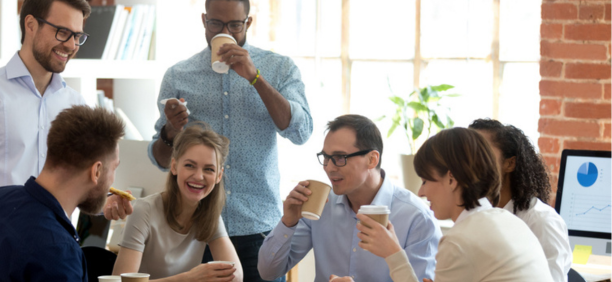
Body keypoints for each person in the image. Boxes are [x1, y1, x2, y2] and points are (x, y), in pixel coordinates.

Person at [147, 0, 312, 280]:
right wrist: (170, 133)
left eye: (235, 25)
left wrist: (254, 77)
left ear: (248, 23)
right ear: (203, 20)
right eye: (216, 24)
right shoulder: (178, 75)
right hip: (195, 232)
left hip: (259, 228)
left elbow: (300, 132)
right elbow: (162, 161)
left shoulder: (279, 68)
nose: (225, 32)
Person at [341, 127, 553, 282]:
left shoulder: (459, 241)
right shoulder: (507, 220)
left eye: (425, 181)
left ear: (451, 179)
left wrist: (393, 254)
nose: (420, 192)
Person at [258, 115, 441, 282]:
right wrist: (288, 222)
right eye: (326, 157)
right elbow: (268, 272)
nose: (328, 168)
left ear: (372, 159)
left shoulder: (417, 218)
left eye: (339, 158)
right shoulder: (320, 205)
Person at [0, 0, 131, 220]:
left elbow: (76, 184)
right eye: (62, 32)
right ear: (30, 25)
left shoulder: (76, 104)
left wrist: (103, 202)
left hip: (54, 242)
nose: (71, 46)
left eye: (77, 36)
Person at [0, 105, 124, 281]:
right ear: (96, 171)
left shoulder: (3, 196)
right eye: (114, 168)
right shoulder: (59, 251)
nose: (112, 181)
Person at [113, 123, 243, 281]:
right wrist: (188, 278)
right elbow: (120, 281)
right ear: (174, 166)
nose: (198, 176)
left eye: (209, 169)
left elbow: (236, 276)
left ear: (218, 176)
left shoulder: (210, 215)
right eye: (190, 165)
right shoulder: (144, 209)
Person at [469, 118, 572, 282]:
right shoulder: (475, 216)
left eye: (481, 154)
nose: (469, 162)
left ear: (510, 164)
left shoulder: (541, 222)